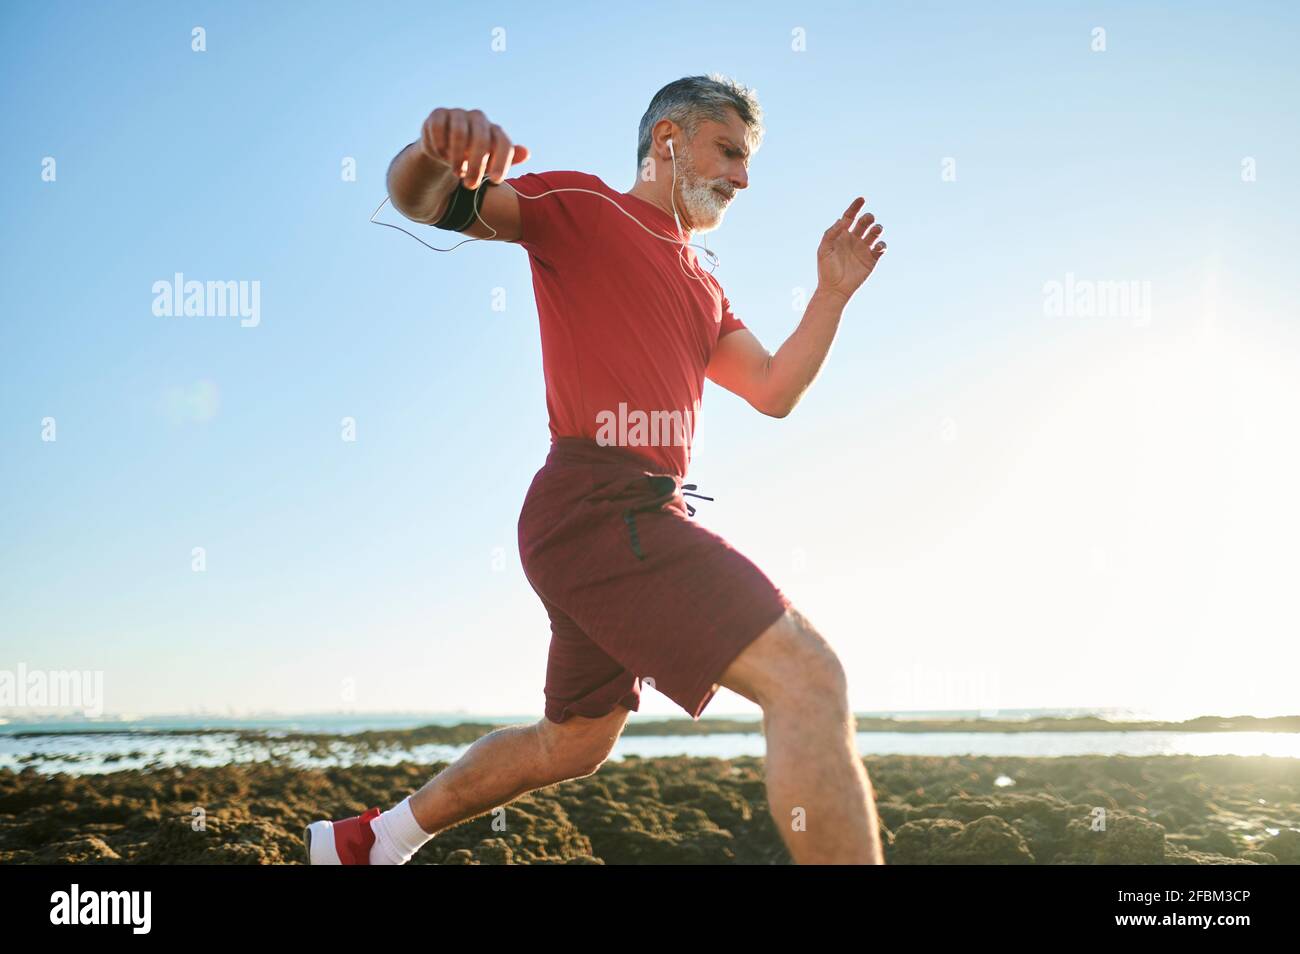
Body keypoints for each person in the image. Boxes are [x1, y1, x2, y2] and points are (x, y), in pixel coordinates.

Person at [305, 74, 888, 866]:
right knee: (809, 678)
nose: (743, 178)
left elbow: (775, 390)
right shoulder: (585, 206)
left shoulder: (705, 284)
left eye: (749, 162)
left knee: (574, 744)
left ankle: (370, 843)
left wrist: (831, 295)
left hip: (625, 521)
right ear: (668, 141)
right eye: (729, 151)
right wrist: (433, 151)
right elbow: (426, 202)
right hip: (597, 507)